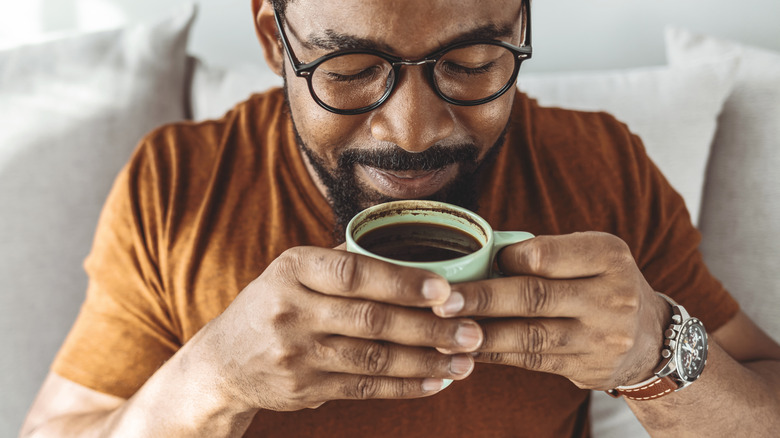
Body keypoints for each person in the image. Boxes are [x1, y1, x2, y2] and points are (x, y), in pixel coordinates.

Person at [20, 0, 780, 436]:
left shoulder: (600, 167)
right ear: (270, 38)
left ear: (520, 28)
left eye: (473, 63)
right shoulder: (181, 184)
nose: (413, 132)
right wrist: (212, 377)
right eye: (349, 71)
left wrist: (657, 354)